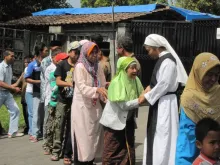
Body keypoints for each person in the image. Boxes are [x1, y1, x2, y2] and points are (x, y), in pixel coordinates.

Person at [142, 34, 188, 165]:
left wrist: (146, 97)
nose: (149, 53)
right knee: (160, 135)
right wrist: (149, 88)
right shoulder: (163, 60)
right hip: (162, 102)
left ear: (156, 47)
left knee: (164, 136)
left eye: (149, 50)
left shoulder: (168, 62)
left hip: (166, 104)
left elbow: (164, 84)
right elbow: (158, 83)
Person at [175, 52, 220, 165]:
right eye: (209, 74)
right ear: (199, 72)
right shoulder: (189, 98)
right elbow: (187, 138)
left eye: (217, 74)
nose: (213, 79)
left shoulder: (218, 92)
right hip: (194, 156)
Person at [100, 56, 145, 165]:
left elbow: (142, 93)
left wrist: (145, 96)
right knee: (111, 152)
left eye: (136, 68)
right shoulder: (117, 82)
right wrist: (139, 101)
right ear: (124, 69)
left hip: (127, 121)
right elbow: (123, 106)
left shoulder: (135, 80)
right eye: (132, 68)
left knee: (127, 150)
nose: (135, 71)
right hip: (114, 123)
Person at [71, 41, 107, 165]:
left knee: (93, 137)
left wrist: (105, 93)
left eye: (96, 52)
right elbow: (82, 87)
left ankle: (90, 161)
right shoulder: (80, 67)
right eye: (92, 52)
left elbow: (102, 83)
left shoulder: (98, 66)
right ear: (86, 52)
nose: (94, 54)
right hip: (82, 108)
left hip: (94, 106)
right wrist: (97, 90)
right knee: (82, 138)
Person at [51, 41, 80, 162]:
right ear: (69, 52)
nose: (76, 55)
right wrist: (69, 83)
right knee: (59, 126)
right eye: (75, 52)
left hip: (75, 101)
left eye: (78, 52)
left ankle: (68, 151)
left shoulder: (79, 65)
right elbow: (58, 81)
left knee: (71, 127)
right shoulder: (62, 64)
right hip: (63, 100)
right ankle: (56, 151)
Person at [25, 43, 48, 142]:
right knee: (36, 113)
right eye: (46, 51)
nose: (47, 52)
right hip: (37, 92)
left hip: (47, 92)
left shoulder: (48, 63)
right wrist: (39, 82)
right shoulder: (32, 64)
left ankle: (44, 132)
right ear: (41, 51)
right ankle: (35, 133)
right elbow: (27, 78)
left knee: (44, 113)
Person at [40, 40, 62, 145]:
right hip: (50, 97)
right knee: (48, 120)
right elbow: (50, 82)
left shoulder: (60, 66)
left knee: (56, 121)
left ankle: (53, 141)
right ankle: (46, 142)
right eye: (58, 57)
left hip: (58, 98)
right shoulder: (49, 67)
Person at [0, 50, 23, 138]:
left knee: (15, 110)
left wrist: (20, 78)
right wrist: (13, 88)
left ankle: (12, 132)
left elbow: (8, 84)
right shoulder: (1, 67)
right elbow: (1, 83)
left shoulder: (9, 67)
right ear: (6, 56)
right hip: (0, 92)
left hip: (7, 93)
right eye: (12, 56)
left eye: (14, 56)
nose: (14, 58)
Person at [12, 56, 32, 134]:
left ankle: (31, 127)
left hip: (30, 94)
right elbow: (17, 83)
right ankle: (27, 126)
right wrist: (9, 86)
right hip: (24, 95)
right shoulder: (24, 73)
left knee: (29, 112)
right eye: (25, 62)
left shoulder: (32, 72)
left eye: (28, 62)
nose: (26, 64)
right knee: (25, 112)